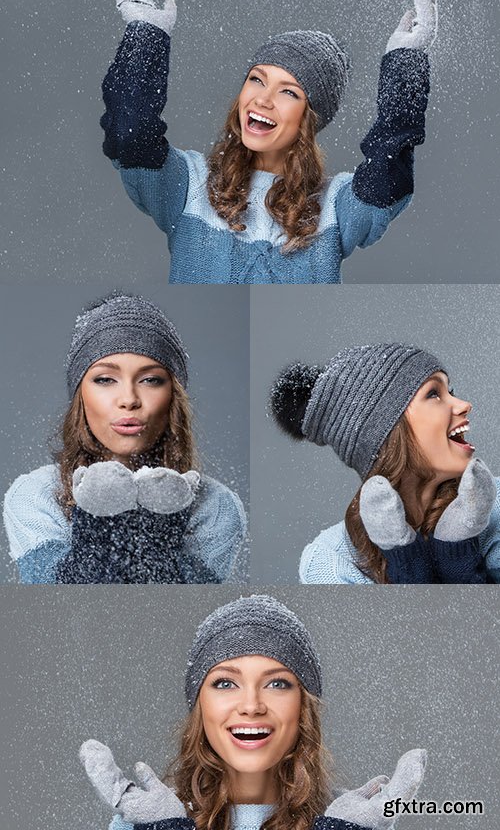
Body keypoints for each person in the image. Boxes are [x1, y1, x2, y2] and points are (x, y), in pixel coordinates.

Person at [98, 0, 437, 284]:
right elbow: (130, 135)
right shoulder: (190, 185)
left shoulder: (334, 205)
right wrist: (146, 35)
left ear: (310, 118)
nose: (263, 99)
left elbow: (387, 176)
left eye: (288, 91)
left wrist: (404, 63)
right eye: (257, 80)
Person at [80, 591, 428, 826]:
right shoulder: (147, 818)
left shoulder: (354, 819)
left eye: (277, 683)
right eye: (225, 683)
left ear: (304, 706)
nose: (251, 706)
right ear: (199, 704)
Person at [3, 293, 246, 584]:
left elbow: (177, 604)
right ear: (80, 395)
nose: (129, 399)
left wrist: (162, 510)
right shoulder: (36, 493)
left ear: (174, 397)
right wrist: (102, 509)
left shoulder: (216, 505)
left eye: (151, 380)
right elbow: (61, 600)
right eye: (105, 379)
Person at [270, 342, 500, 584]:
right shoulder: (331, 559)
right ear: (384, 434)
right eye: (434, 394)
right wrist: (410, 569)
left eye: (450, 392)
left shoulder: (496, 508)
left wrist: (458, 561)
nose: (464, 405)